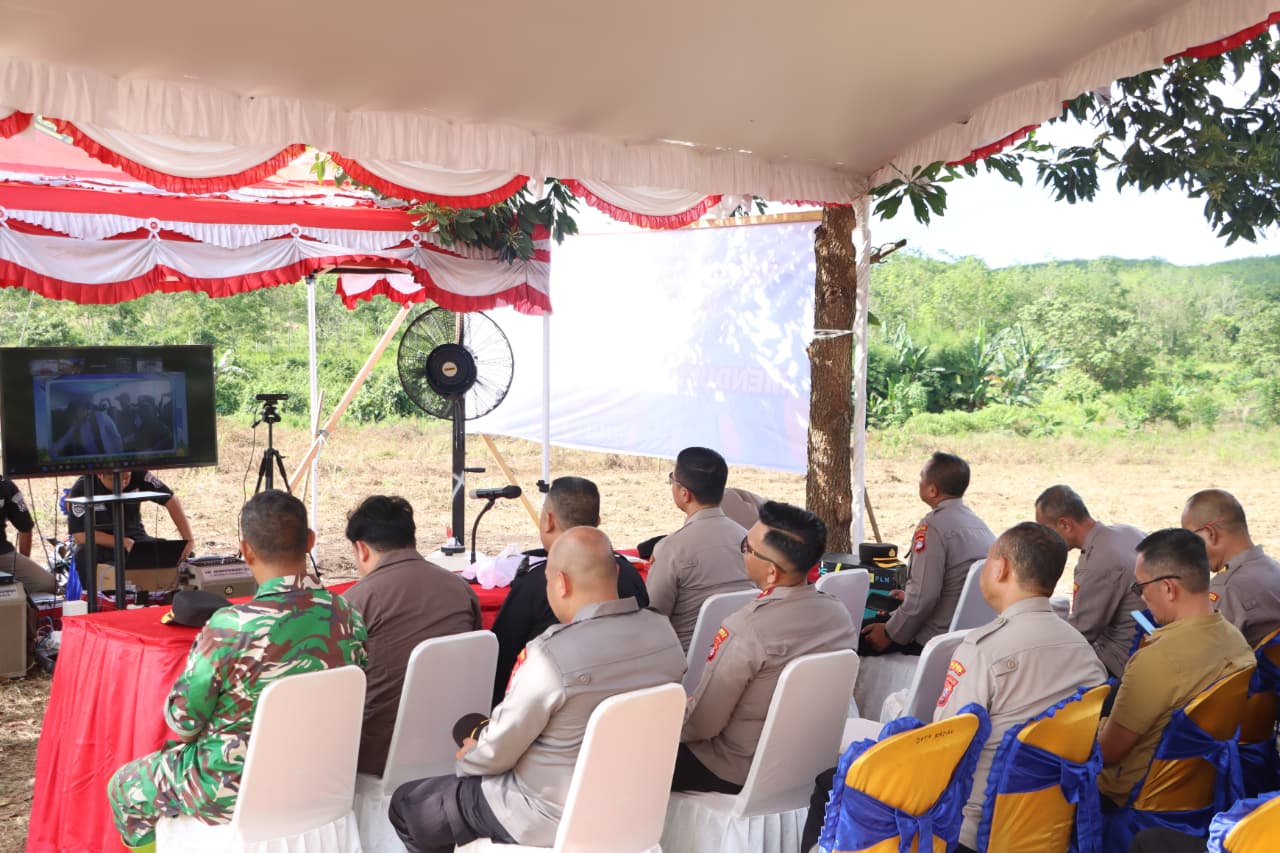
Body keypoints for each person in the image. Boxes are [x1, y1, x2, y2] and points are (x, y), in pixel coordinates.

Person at [388, 527, 685, 852]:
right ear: (615, 571)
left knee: (409, 805)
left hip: (545, 813)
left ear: (561, 583)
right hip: (632, 806)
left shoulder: (551, 656)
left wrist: (470, 755)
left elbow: (495, 756)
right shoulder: (663, 633)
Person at [106, 490, 367, 853]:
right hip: (324, 780)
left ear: (246, 551)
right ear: (309, 541)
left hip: (230, 788)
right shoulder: (347, 614)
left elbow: (182, 722)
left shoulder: (230, 626)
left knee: (124, 787)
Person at [934, 522, 1107, 853]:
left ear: (1001, 568)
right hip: (1052, 828)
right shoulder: (1083, 651)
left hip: (975, 832)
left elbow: (945, 749)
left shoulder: (983, 650)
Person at [676, 500, 857, 793]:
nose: (743, 552)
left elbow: (703, 726)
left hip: (735, 769)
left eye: (746, 548)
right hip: (806, 763)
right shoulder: (839, 615)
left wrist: (667, 719)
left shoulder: (747, 629)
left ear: (772, 572)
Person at [1096, 528, 1254, 808]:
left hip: (1133, 799)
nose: (1141, 598)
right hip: (1199, 788)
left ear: (1168, 588)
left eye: (1140, 587)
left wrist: (1090, 726)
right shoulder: (1237, 642)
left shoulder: (1156, 660)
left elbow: (1108, 752)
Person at [341, 494, 481, 776]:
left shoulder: (356, 601)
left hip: (378, 758)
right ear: (411, 539)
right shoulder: (460, 589)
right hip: (455, 745)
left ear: (361, 549)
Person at [488, 476, 648, 707]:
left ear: (548, 521)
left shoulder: (536, 583)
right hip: (624, 704)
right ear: (598, 522)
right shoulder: (630, 574)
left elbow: (499, 661)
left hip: (546, 708)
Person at [861, 452, 994, 655]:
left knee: (850, 634)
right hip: (964, 633)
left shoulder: (932, 526)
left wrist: (889, 633)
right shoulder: (980, 525)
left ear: (932, 490)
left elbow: (924, 597)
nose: (919, 482)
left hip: (932, 638)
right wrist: (909, 597)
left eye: (921, 478)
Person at [647, 446, 754, 651]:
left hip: (686, 661)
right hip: (739, 652)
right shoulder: (749, 540)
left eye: (672, 479)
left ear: (684, 494)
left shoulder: (671, 548)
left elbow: (652, 619)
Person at [1034, 484, 1145, 678]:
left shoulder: (1096, 564)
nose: (1044, 539)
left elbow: (1081, 634)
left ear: (1065, 525)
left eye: (1046, 530)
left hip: (1119, 661)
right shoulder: (1128, 532)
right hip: (1146, 640)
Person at [1181, 488, 1280, 647]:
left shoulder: (1226, 590)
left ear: (1211, 534)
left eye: (1189, 539)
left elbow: (1202, 654)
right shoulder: (1272, 567)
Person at [67, 470, 195, 584]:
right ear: (100, 474)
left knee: (181, 555)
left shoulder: (139, 474)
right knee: (84, 553)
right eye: (114, 480)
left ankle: (168, 596)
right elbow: (80, 536)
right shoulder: (83, 487)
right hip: (104, 545)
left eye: (126, 478)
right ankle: (96, 598)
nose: (122, 484)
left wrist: (189, 539)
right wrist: (124, 542)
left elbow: (171, 499)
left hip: (137, 540)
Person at [0, 476, 55, 594]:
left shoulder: (5, 485)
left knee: (47, 583)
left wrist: (23, 561)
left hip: (2, 553)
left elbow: (25, 526)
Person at [51, 395, 123, 457]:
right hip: (93, 462)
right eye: (74, 412)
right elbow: (63, 441)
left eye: (79, 409)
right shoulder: (76, 427)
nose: (76, 414)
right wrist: (50, 453)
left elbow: (115, 435)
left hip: (111, 457)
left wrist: (119, 455)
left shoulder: (101, 416)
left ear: (84, 409)